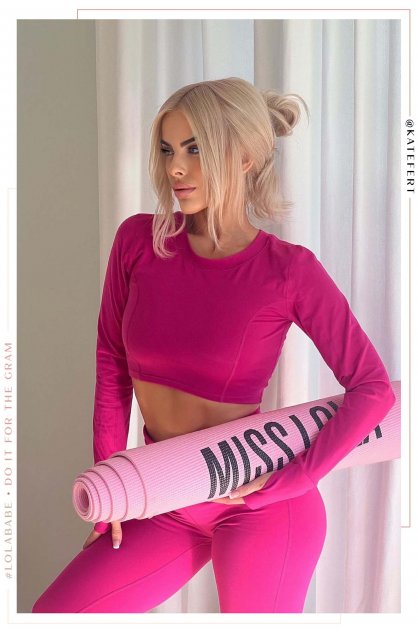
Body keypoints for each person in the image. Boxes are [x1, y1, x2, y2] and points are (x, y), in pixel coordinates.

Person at [32, 77, 395, 614]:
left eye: (195, 149)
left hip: (260, 506)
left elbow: (373, 389)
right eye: (167, 150)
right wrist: (114, 489)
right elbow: (111, 364)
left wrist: (290, 481)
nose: (175, 169)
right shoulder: (138, 241)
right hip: (164, 492)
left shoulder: (287, 271)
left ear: (243, 158)